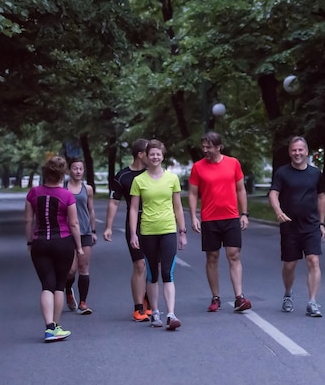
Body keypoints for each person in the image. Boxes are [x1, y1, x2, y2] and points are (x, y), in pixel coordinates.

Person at [188, 132, 252, 313]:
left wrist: (244, 213)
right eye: (204, 146)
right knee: (212, 258)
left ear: (219, 147)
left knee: (234, 255)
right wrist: (193, 216)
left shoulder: (233, 163)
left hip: (231, 217)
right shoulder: (198, 167)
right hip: (209, 219)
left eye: (208, 147)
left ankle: (239, 297)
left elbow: (241, 189)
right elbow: (193, 193)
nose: (205, 150)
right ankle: (215, 297)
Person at [128, 140, 187, 330]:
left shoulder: (172, 179)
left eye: (158, 154)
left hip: (168, 229)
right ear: (146, 156)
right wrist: (133, 234)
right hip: (147, 231)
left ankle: (171, 313)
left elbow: (178, 206)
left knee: (167, 273)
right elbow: (133, 208)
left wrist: (182, 231)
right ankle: (155, 312)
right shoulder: (139, 181)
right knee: (152, 274)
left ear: (163, 156)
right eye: (151, 154)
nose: (155, 157)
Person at [25, 156, 84, 342]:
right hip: (63, 242)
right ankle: (55, 328)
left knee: (46, 285)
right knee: (59, 285)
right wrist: (80, 247)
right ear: (62, 173)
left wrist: (29, 242)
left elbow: (28, 221)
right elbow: (74, 224)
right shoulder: (67, 195)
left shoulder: (33, 193)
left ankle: (49, 326)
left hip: (40, 243)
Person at [268, 136, 325, 317]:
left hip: (311, 225)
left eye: (300, 150)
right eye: (294, 150)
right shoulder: (282, 173)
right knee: (289, 265)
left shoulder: (315, 174)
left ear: (306, 151)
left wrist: (322, 223)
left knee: (313, 261)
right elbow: (273, 193)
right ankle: (288, 294)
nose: (297, 153)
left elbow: (321, 197)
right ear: (289, 152)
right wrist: (278, 211)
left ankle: (312, 302)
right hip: (289, 226)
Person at [103, 138, 152, 322]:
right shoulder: (122, 176)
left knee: (154, 265)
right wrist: (108, 227)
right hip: (135, 224)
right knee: (139, 264)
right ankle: (138, 307)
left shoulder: (154, 173)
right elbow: (114, 202)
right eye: (149, 152)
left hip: (155, 223)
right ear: (141, 154)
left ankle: (148, 299)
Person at [64, 158, 97, 315]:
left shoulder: (87, 189)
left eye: (80, 169)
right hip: (67, 232)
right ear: (69, 170)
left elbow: (90, 210)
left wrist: (93, 230)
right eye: (75, 168)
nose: (78, 171)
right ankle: (68, 289)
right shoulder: (63, 188)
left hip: (84, 231)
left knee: (84, 266)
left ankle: (83, 302)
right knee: (71, 270)